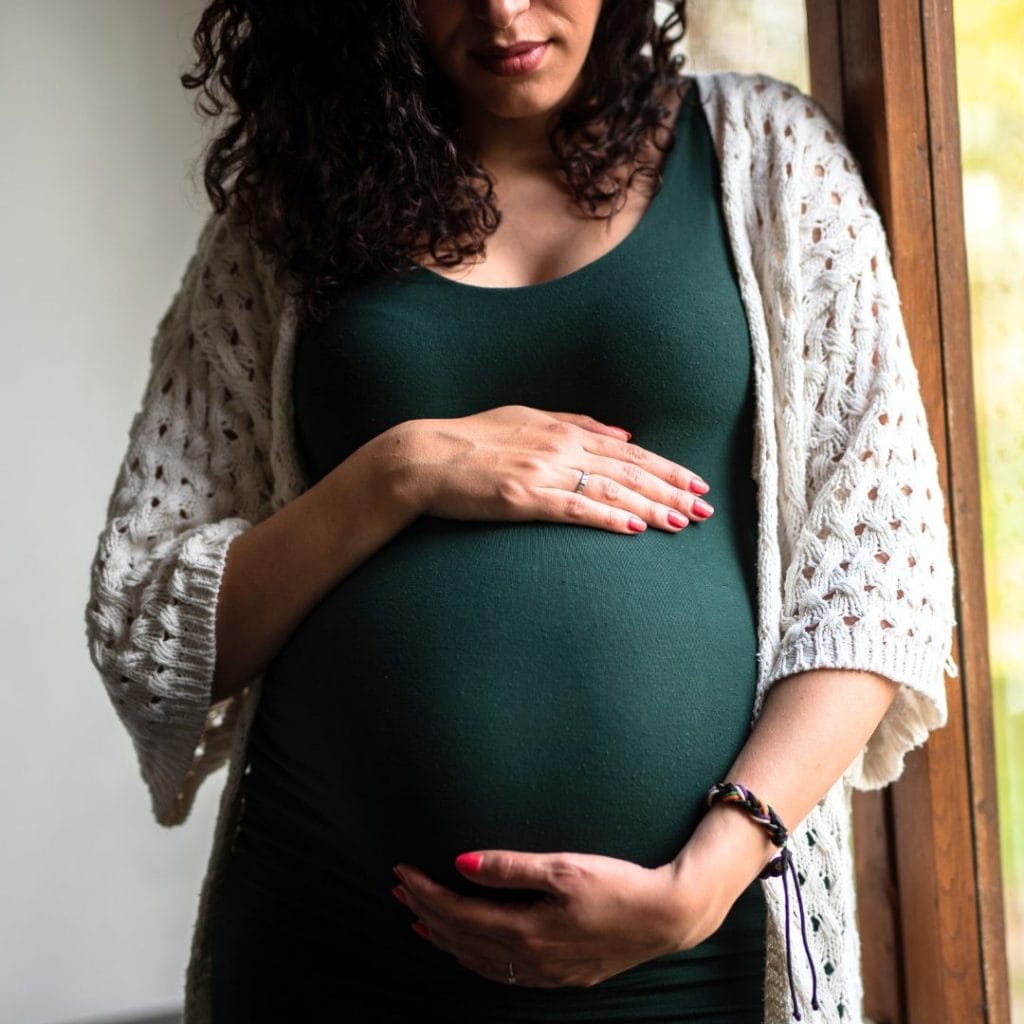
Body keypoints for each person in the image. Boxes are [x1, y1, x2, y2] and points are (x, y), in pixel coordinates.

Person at [84, 1, 957, 1021]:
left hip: (685, 953)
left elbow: (878, 566)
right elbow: (152, 618)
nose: (502, 10)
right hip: (331, 940)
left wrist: (706, 882)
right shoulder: (294, 211)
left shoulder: (764, 152)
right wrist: (400, 467)